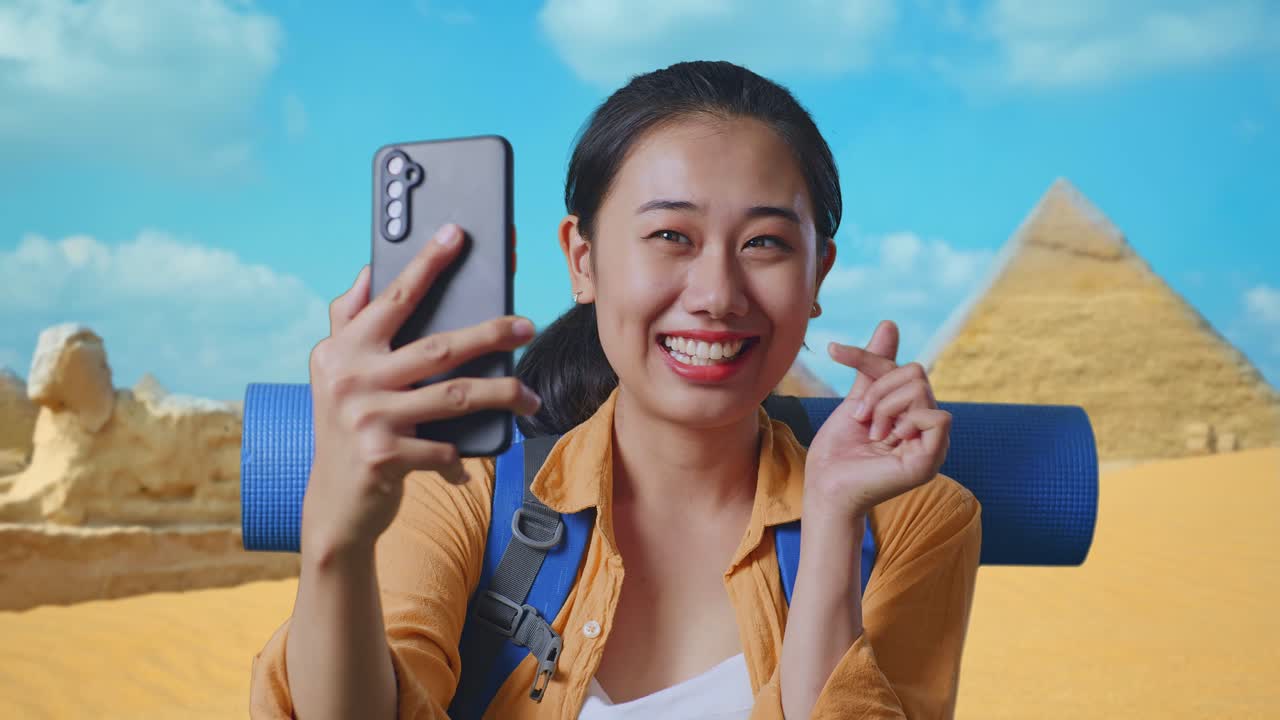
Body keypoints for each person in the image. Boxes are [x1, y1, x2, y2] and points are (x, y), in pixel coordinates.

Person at [250, 60, 981, 719]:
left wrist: (830, 525)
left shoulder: (915, 522)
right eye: (671, 236)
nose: (717, 295)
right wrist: (335, 544)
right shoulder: (460, 483)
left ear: (817, 275)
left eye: (765, 243)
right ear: (584, 260)